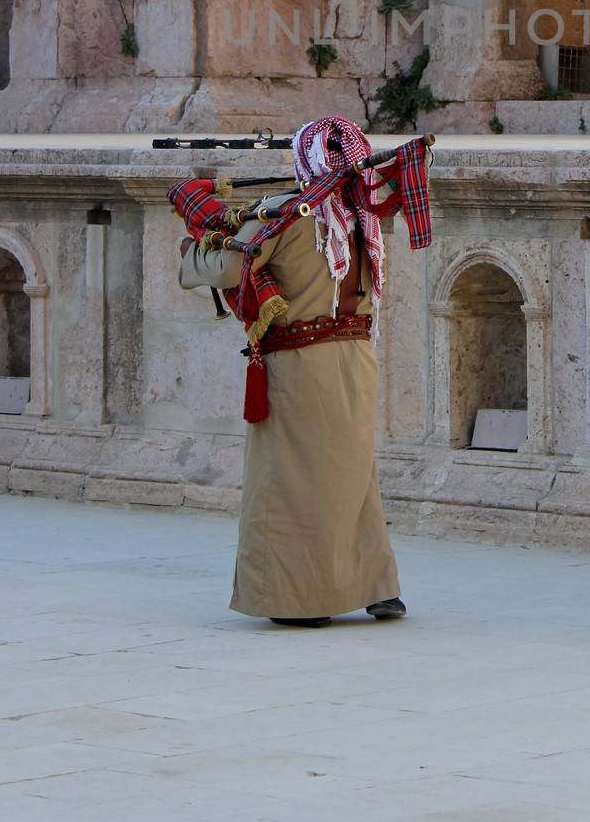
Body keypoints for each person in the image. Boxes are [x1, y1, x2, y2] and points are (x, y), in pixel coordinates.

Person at [175, 117, 423, 628]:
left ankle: (300, 601)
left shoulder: (290, 215)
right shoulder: (363, 214)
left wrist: (194, 250)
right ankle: (378, 589)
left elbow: (227, 266)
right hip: (356, 358)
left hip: (299, 365)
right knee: (352, 476)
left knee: (288, 482)